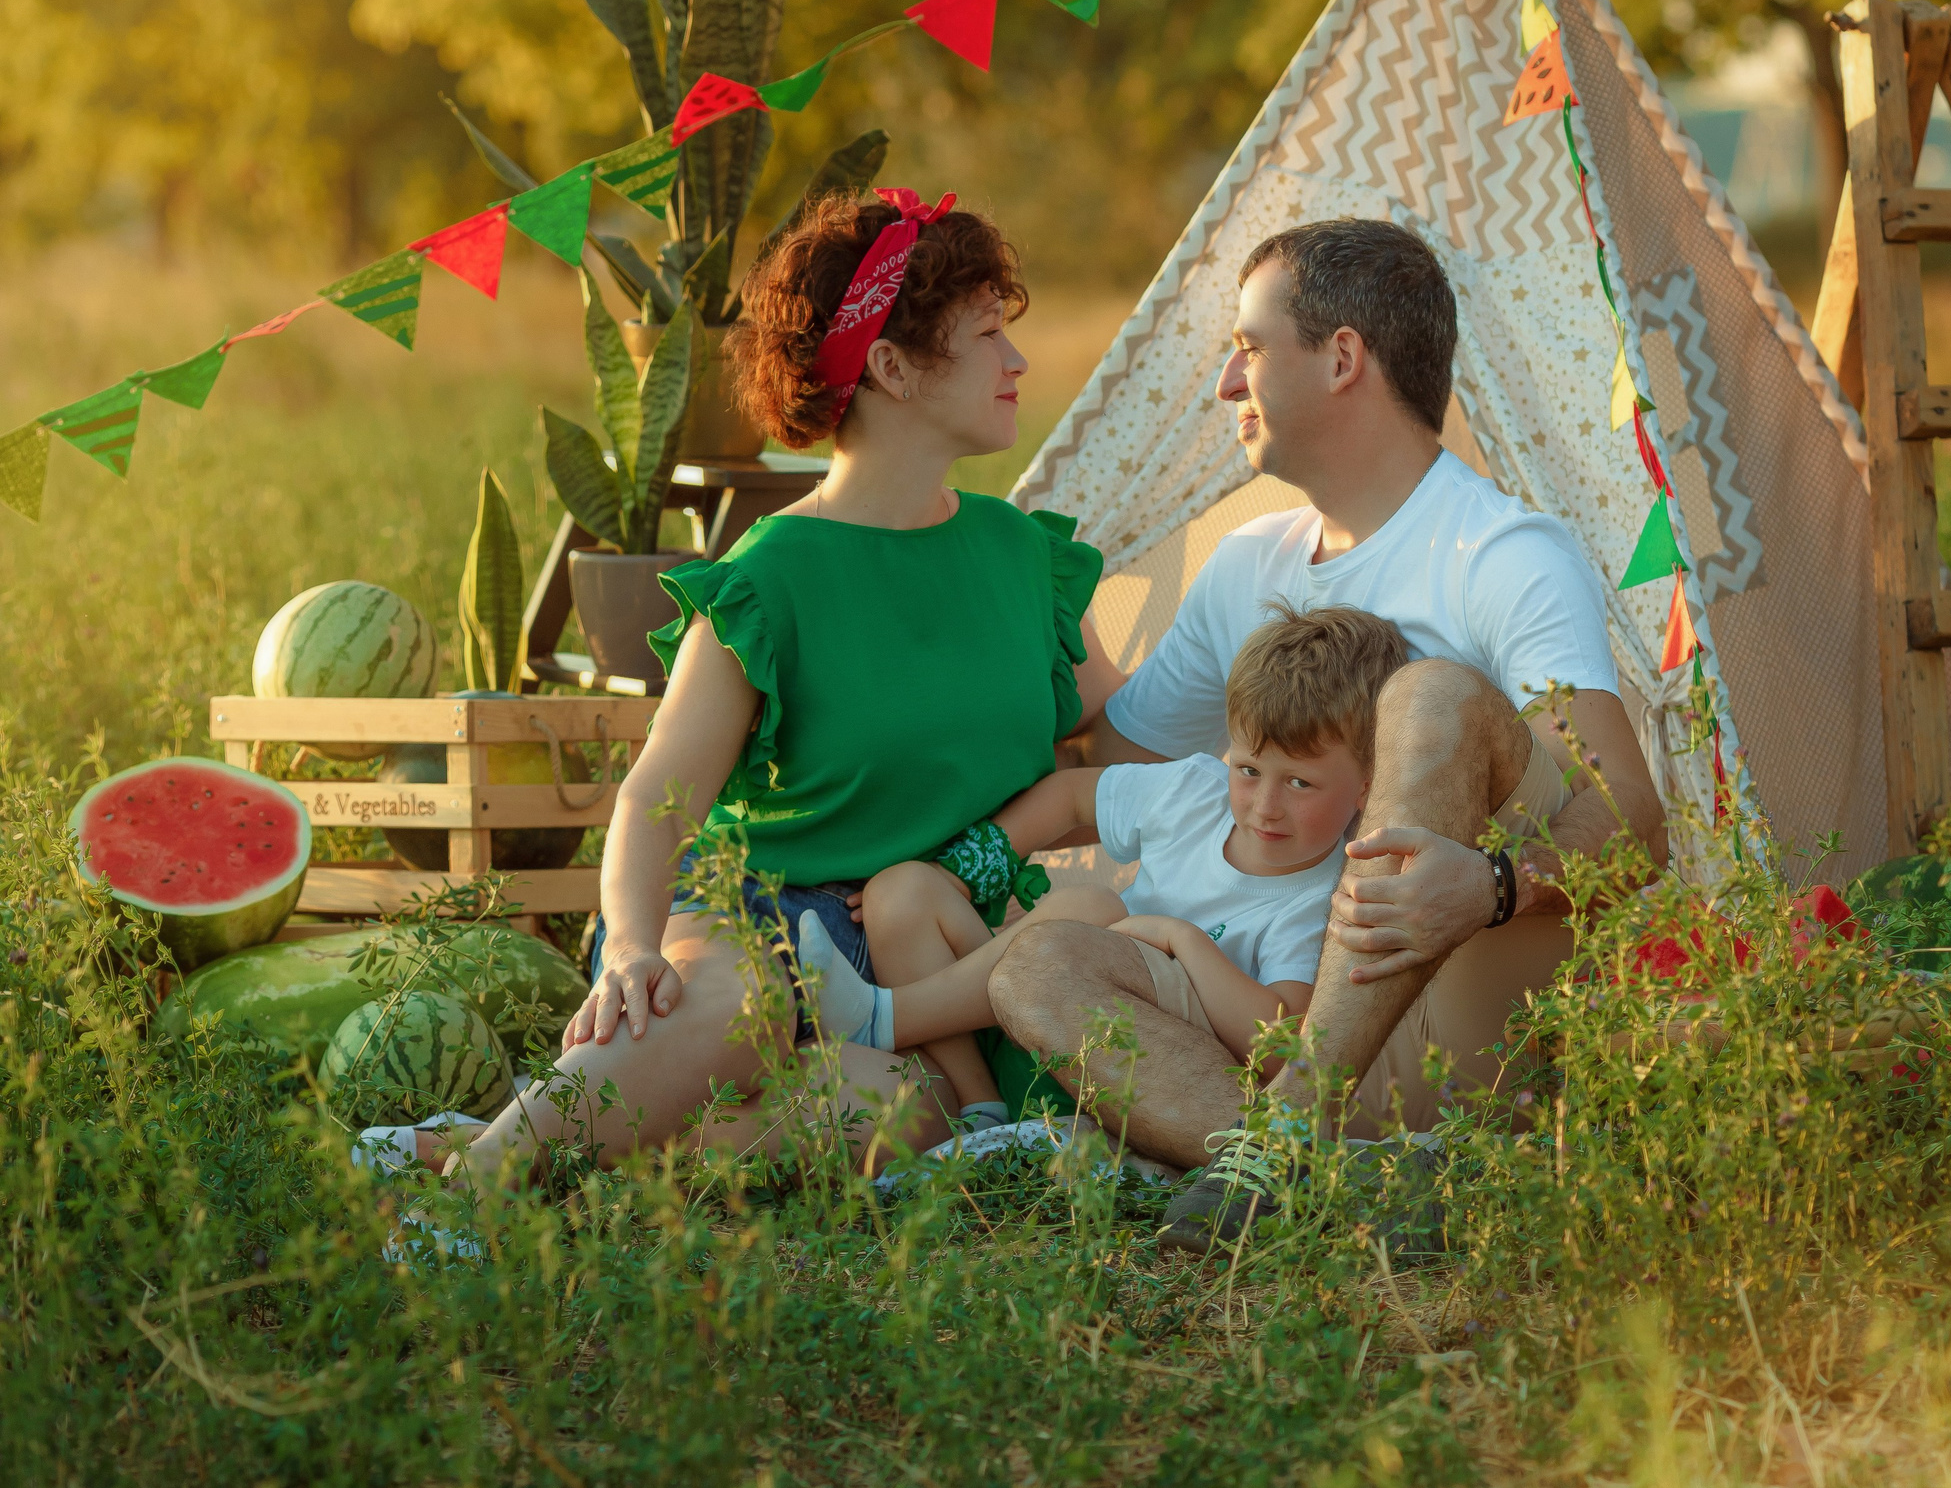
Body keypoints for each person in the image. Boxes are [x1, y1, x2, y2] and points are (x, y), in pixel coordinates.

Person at [396, 188, 1122, 1184]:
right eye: (991, 334)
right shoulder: (772, 576)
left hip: (931, 953)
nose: (1018, 361)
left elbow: (1115, 738)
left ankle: (513, 1148)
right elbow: (657, 796)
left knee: (889, 1118)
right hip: (762, 919)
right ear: (892, 366)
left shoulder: (1021, 555)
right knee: (743, 1007)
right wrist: (630, 952)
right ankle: (479, 1187)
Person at [983, 218, 1668, 1249]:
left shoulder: (1505, 554)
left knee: (1427, 693)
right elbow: (1113, 765)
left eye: (1250, 347)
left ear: (1342, 357)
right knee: (1034, 971)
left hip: (1454, 1027)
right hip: (1268, 1022)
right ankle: (1344, 1182)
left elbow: (1633, 823)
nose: (1227, 382)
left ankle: (1293, 1138)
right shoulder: (1252, 563)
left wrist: (1490, 884)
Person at [827, 604, 1409, 1077]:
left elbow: (1281, 1044)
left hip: (1124, 1059)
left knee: (1091, 906)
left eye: (1301, 782)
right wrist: (964, 871)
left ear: (1366, 784)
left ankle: (882, 1020)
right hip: (1033, 1003)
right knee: (903, 890)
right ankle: (974, 1101)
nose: (1265, 806)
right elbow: (1070, 797)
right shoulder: (1194, 792)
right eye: (1248, 770)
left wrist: (1180, 939)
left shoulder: (1321, 900)